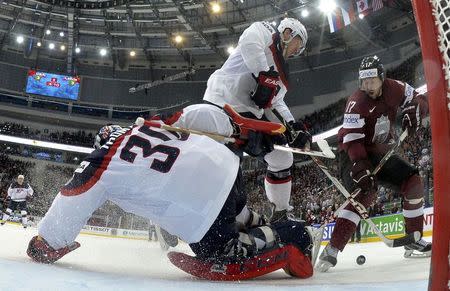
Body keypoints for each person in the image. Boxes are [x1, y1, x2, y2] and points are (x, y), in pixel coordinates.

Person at [26, 115, 318, 279]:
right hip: (225, 165)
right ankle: (252, 220)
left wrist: (47, 243)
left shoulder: (102, 158)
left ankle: (295, 233)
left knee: (221, 252)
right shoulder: (144, 127)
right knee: (231, 213)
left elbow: (72, 196)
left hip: (203, 200)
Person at [183, 18, 312, 222]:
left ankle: (280, 213)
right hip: (221, 103)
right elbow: (249, 42)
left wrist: (293, 126)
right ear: (288, 32)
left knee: (282, 158)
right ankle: (181, 207)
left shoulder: (284, 74)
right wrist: (263, 74)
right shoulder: (265, 30)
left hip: (249, 117)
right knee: (221, 166)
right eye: (299, 43)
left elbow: (276, 103)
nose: (298, 50)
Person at [317, 55, 431, 272]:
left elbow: (418, 99)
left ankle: (413, 238)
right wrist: (360, 167)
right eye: (364, 81)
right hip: (352, 154)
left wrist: (416, 110)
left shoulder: (395, 88)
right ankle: (332, 248)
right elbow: (351, 140)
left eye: (372, 80)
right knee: (364, 193)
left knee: (413, 182)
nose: (368, 85)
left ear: (381, 78)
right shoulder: (355, 103)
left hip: (380, 152)